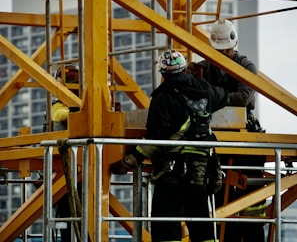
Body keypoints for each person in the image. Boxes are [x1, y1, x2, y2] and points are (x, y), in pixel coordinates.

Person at [111, 49, 229, 242]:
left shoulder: (163, 98)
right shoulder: (205, 91)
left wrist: (129, 161)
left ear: (163, 74)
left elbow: (155, 139)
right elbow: (225, 96)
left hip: (174, 172)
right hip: (202, 169)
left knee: (165, 224)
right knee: (201, 224)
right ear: (184, 70)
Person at [188, 19, 266, 242]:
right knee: (221, 198)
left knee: (251, 201)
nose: (223, 54)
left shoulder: (246, 66)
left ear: (234, 45)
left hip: (246, 139)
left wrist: (211, 96)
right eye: (219, 51)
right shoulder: (204, 68)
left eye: (227, 50)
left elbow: (243, 98)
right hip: (217, 140)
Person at [52, 64, 82, 241]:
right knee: (68, 214)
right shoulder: (59, 105)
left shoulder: (82, 101)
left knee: (82, 213)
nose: (74, 80)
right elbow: (60, 115)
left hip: (81, 169)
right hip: (65, 170)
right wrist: (78, 112)